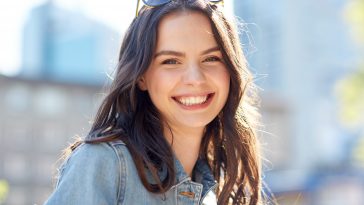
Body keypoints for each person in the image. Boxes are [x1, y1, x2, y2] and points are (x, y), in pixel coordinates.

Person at [45, 0, 265, 204]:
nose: (195, 79)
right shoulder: (104, 165)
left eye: (211, 59)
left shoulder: (217, 191)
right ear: (141, 76)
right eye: (171, 61)